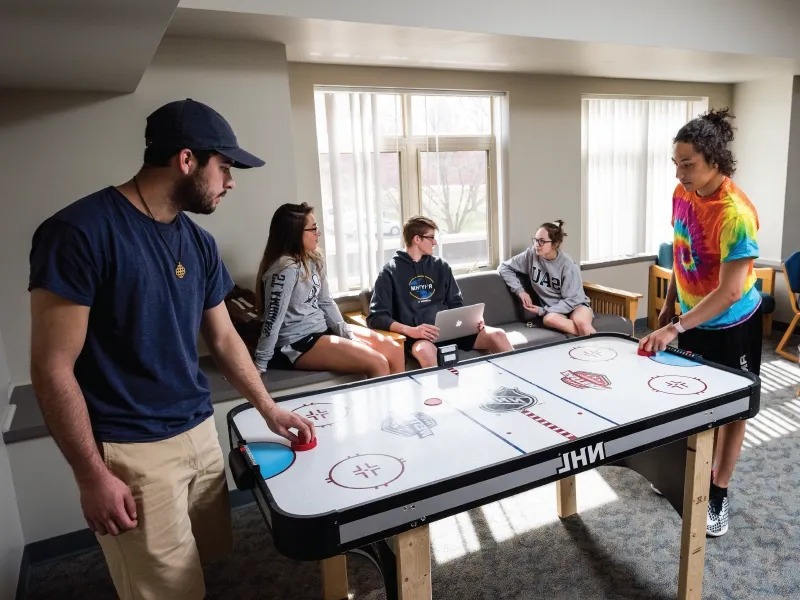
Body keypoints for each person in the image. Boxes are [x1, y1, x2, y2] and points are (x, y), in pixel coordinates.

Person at [28, 98, 315, 600]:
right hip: (132, 449)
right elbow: (53, 368)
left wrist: (267, 408)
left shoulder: (198, 244)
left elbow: (224, 337)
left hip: (198, 431)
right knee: (165, 590)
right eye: (224, 168)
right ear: (187, 160)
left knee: (200, 566)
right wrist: (91, 475)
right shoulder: (77, 234)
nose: (231, 182)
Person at [639, 107, 762, 538]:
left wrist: (676, 327)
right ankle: (690, 475)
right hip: (691, 318)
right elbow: (680, 251)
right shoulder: (682, 194)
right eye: (675, 164)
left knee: (732, 412)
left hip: (731, 324)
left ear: (713, 159)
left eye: (687, 164)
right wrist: (670, 305)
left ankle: (719, 493)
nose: (680, 173)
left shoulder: (735, 215)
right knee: (688, 397)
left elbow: (729, 291)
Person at [253, 202, 404, 376]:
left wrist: (348, 335)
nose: (318, 233)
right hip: (296, 342)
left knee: (395, 351)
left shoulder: (313, 259)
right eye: (313, 228)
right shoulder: (285, 270)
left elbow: (325, 301)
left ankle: (395, 403)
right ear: (294, 234)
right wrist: (260, 363)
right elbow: (273, 319)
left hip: (321, 330)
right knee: (378, 363)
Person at [367, 216, 513, 368]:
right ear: (417, 239)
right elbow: (376, 317)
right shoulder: (390, 272)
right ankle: (436, 392)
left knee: (498, 335)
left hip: (450, 331)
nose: (435, 242)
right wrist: (411, 331)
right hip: (418, 337)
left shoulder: (440, 266)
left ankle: (520, 383)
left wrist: (471, 321)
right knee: (425, 352)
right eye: (431, 238)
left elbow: (455, 303)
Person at [498, 220, 595, 336]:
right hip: (554, 310)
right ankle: (587, 336)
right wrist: (520, 291)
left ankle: (597, 348)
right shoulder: (531, 254)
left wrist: (542, 310)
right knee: (548, 320)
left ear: (555, 244)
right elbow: (504, 267)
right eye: (536, 240)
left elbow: (573, 300)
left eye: (542, 241)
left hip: (576, 305)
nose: (537, 245)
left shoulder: (567, 265)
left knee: (582, 323)